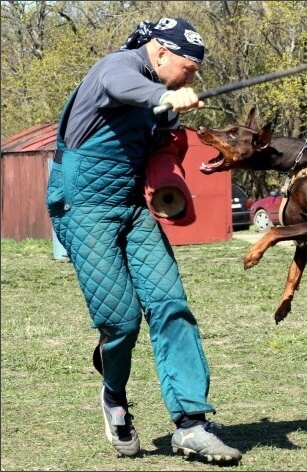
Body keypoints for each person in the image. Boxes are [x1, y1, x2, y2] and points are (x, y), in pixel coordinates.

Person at [45, 17, 242, 464]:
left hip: (133, 207)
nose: (193, 77)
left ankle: (192, 423)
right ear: (161, 53)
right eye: (189, 68)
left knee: (171, 304)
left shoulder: (162, 96)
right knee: (121, 321)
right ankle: (114, 395)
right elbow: (121, 86)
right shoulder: (115, 68)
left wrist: (173, 149)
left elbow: (164, 143)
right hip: (83, 208)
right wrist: (164, 95)